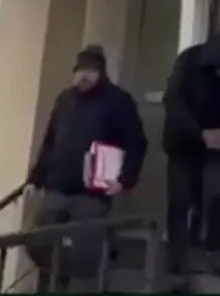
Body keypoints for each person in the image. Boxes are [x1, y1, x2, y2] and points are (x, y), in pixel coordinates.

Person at [25, 45, 147, 292]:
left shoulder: (117, 101)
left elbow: (136, 142)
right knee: (37, 241)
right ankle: (60, 275)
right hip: (57, 185)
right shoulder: (65, 99)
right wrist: (35, 178)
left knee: (87, 249)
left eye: (91, 70)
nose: (85, 76)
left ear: (101, 73)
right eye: (81, 70)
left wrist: (124, 179)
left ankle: (83, 285)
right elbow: (50, 141)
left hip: (92, 192)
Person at [161, 31, 220, 279]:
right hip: (185, 138)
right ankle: (176, 259)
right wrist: (199, 132)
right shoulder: (189, 62)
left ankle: (215, 247)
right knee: (180, 198)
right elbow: (173, 101)